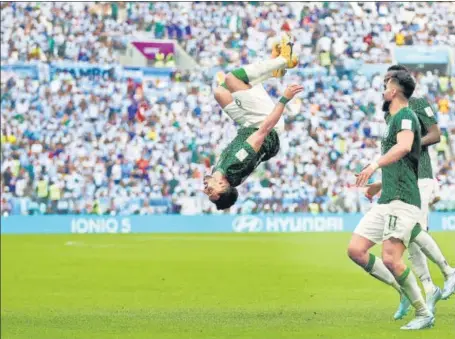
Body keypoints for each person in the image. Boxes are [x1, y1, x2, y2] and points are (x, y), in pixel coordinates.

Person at [347, 70, 435, 330]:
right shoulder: (393, 118)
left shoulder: (406, 116)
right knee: (356, 250)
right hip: (388, 197)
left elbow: (405, 147)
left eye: (386, 85)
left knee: (391, 259)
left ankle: (423, 312)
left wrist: (374, 165)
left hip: (404, 198)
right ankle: (404, 290)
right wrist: (378, 184)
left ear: (394, 90)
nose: (383, 90)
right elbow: (401, 164)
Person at [368, 65, 455, 318]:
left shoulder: (416, 103)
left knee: (411, 232)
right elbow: (394, 152)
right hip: (400, 180)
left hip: (420, 176)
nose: (385, 85)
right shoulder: (390, 113)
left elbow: (435, 134)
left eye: (388, 80)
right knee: (407, 236)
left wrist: (410, 143)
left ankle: (443, 275)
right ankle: (425, 288)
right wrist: (382, 182)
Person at [203, 34, 300, 210]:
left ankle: (273, 70)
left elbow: (217, 177)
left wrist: (211, 178)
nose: (207, 191)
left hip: (248, 127)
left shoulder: (225, 174)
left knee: (220, 93)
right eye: (212, 192)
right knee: (233, 80)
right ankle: (283, 60)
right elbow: (264, 130)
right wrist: (284, 100)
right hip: (264, 125)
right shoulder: (235, 164)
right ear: (224, 187)